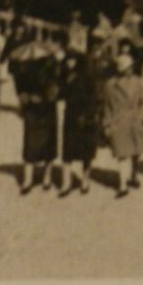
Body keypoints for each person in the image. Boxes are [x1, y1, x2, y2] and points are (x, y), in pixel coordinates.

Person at [7, 37, 60, 194]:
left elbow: (56, 87)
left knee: (49, 142)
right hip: (31, 109)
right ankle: (28, 179)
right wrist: (25, 96)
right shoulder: (23, 69)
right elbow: (19, 87)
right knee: (30, 141)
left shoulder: (52, 66)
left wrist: (44, 97)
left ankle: (47, 176)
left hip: (47, 108)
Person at [101, 48, 143, 197]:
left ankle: (133, 175)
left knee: (135, 151)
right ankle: (123, 184)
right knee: (122, 153)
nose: (127, 70)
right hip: (119, 121)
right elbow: (107, 106)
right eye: (123, 68)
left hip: (135, 120)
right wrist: (107, 123)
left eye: (128, 67)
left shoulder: (139, 82)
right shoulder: (110, 84)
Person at [58, 37, 100, 196]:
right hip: (70, 115)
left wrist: (89, 115)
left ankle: (85, 180)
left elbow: (93, 97)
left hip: (85, 115)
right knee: (67, 151)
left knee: (86, 151)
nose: (70, 63)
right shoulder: (63, 76)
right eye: (68, 60)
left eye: (73, 60)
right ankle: (66, 183)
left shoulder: (86, 76)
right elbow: (59, 94)